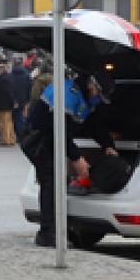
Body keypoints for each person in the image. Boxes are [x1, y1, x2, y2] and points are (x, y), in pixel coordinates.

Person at [24, 72, 116, 247]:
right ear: (92, 86)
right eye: (99, 95)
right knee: (50, 180)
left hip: (51, 138)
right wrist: (76, 158)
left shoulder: (84, 97)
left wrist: (107, 145)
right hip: (38, 139)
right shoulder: (68, 95)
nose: (99, 100)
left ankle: (58, 227)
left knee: (59, 182)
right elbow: (59, 131)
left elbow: (93, 124)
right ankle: (47, 234)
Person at [0, 61, 16, 145]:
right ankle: (11, 139)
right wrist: (13, 102)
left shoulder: (0, 79)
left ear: (2, 69)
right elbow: (11, 92)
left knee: (3, 123)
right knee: (9, 122)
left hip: (1, 104)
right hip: (8, 104)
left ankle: (5, 140)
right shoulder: (9, 78)